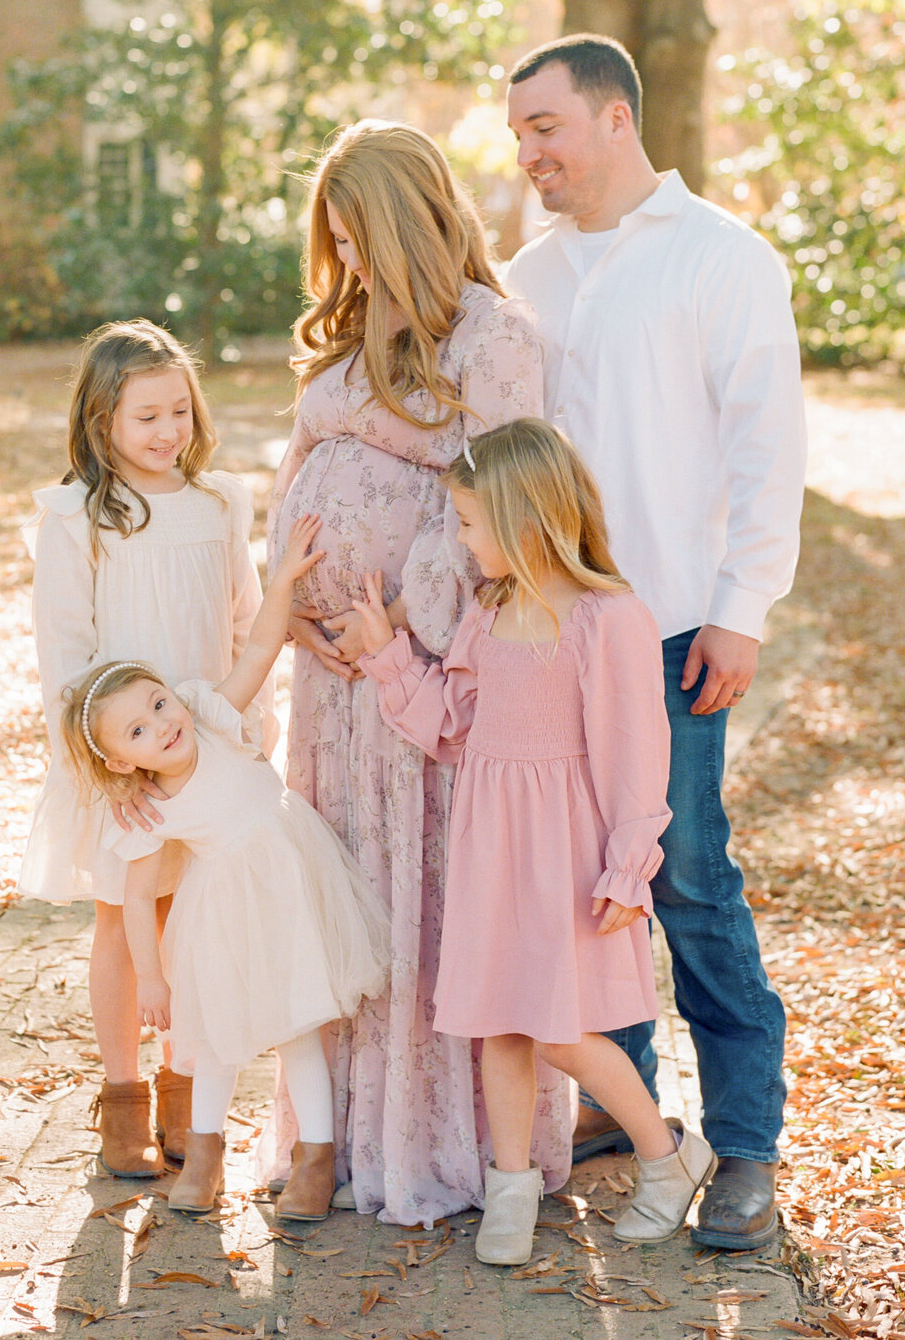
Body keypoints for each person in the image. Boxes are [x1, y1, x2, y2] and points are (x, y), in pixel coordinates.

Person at [503, 34, 806, 1250]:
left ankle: (743, 1146)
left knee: (685, 878)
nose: (529, 152)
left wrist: (743, 604)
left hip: (676, 625)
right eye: (518, 133)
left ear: (616, 117)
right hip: (551, 632)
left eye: (546, 127)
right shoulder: (525, 274)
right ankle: (630, 1113)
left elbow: (765, 442)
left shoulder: (721, 258)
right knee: (586, 883)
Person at [266, 120, 571, 1227]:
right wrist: (291, 600)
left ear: (407, 223)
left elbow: (506, 494)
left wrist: (394, 615)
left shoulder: (491, 336)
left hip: (417, 675)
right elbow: (298, 472)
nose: (343, 261)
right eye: (332, 241)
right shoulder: (346, 337)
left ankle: (435, 1150)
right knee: (341, 901)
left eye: (358, 238)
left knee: (421, 906)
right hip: (328, 687)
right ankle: (332, 1136)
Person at [352, 419, 717, 1263]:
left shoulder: (606, 616)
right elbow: (454, 725)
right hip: (492, 847)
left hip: (563, 853)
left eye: (471, 524)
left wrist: (631, 863)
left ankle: (668, 1158)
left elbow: (635, 753)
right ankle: (509, 1186)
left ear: (525, 519)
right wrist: (387, 656)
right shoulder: (494, 609)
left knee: (558, 1027)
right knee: (498, 1024)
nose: (462, 540)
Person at [60, 512, 390, 1223]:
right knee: (212, 1038)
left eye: (157, 701)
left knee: (299, 1025)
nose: (163, 722)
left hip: (293, 884)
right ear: (123, 760)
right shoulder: (146, 808)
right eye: (139, 729)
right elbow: (139, 891)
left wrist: (282, 580)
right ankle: (204, 1157)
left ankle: (316, 1159)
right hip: (222, 912)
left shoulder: (210, 715)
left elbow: (262, 647)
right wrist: (150, 976)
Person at [18, 318, 276, 1181]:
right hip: (123, 761)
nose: (169, 432)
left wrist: (255, 725)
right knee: (125, 927)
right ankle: (122, 1098)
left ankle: (186, 1091)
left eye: (179, 411)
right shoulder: (78, 519)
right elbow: (64, 657)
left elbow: (244, 620)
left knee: (194, 924)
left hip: (201, 749)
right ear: (102, 425)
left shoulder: (217, 503)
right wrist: (104, 768)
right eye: (146, 417)